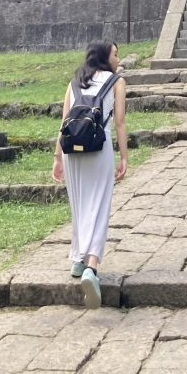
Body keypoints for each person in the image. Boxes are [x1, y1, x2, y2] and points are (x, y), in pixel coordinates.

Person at [52, 40, 128, 308]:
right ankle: (91, 267)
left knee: (80, 203)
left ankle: (77, 259)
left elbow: (64, 123)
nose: (118, 58)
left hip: (72, 149)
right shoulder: (116, 81)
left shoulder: (74, 81)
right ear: (105, 57)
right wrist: (124, 156)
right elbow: (119, 122)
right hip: (100, 144)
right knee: (99, 204)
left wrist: (57, 158)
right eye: (116, 54)